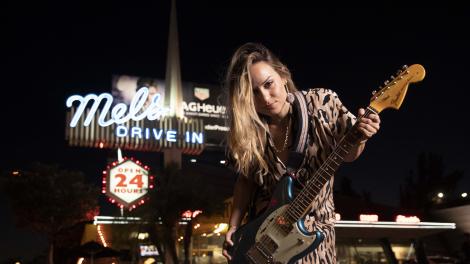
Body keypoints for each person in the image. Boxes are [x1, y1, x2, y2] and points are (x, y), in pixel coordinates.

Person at [221, 43, 381, 263]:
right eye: (254, 93)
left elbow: (349, 154)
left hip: (314, 235)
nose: (265, 98)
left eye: (269, 85)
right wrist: (234, 226)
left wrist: (361, 136)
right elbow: (245, 181)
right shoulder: (247, 132)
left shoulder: (323, 103)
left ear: (283, 76)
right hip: (262, 238)